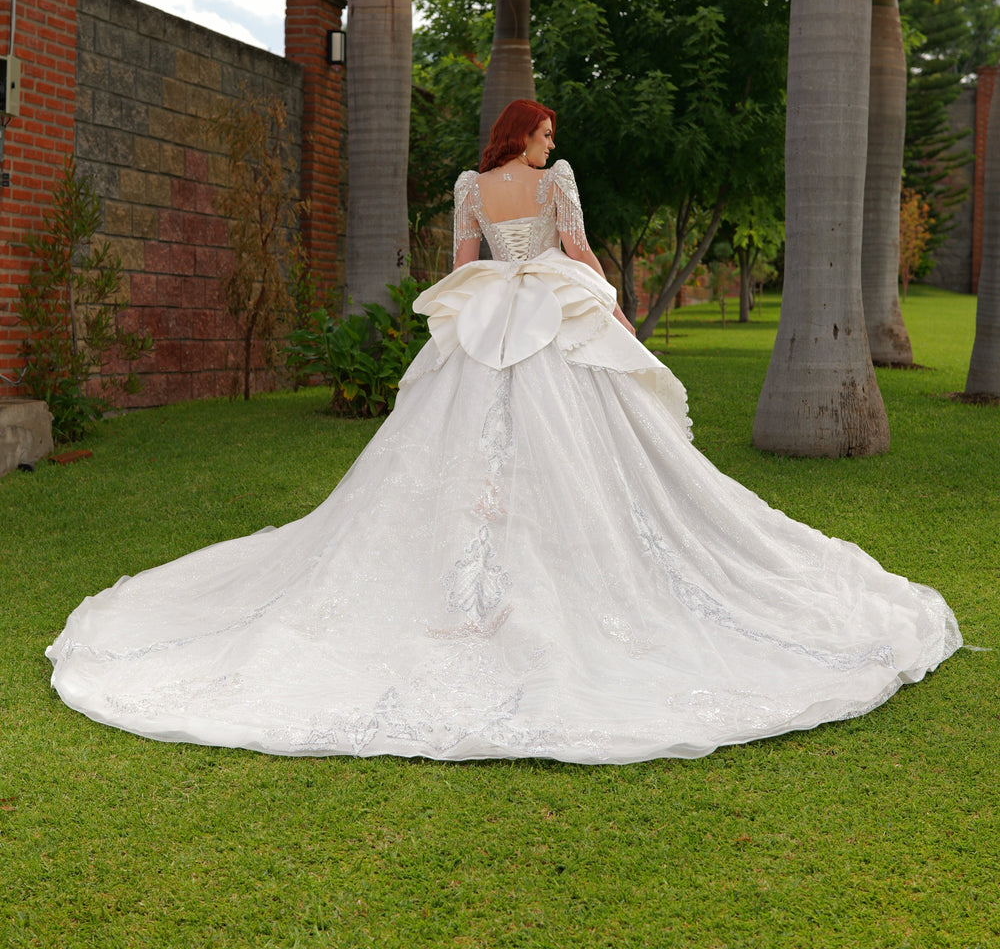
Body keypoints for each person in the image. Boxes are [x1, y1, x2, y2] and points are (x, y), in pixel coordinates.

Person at [46, 99, 961, 763]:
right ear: (526, 134)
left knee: (471, 437)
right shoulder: (552, 181)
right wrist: (613, 308)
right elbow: (574, 250)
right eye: (547, 129)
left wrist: (492, 291)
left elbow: (459, 264)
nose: (554, 141)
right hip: (549, 311)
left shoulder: (471, 186)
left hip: (489, 316)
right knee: (582, 441)